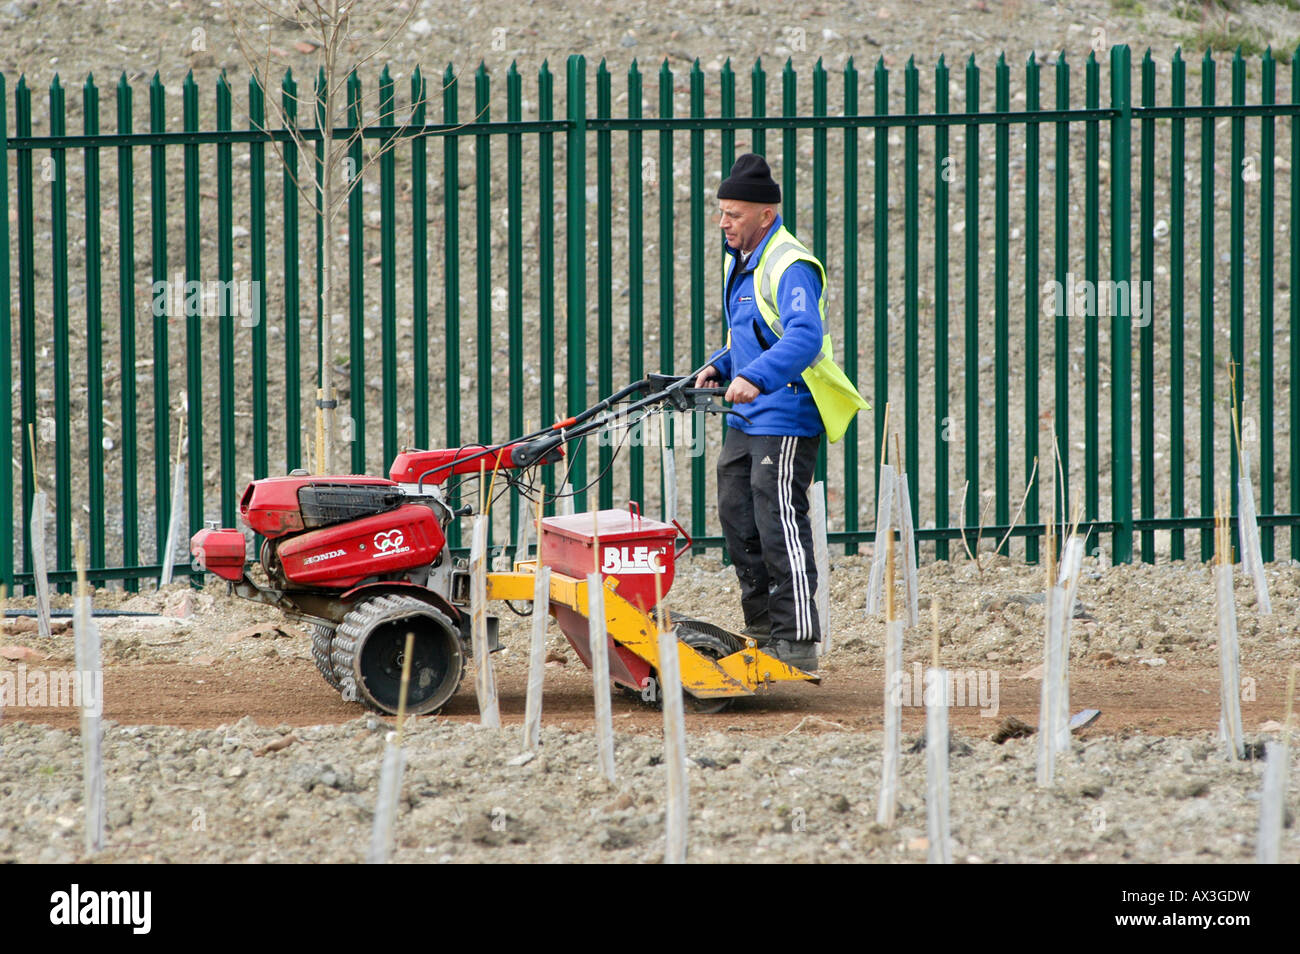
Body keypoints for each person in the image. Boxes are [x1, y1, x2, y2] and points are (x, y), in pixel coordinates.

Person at [695, 154, 868, 672]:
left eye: (735, 213)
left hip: (787, 411)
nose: (723, 222)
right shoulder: (739, 258)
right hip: (747, 416)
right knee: (737, 516)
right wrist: (721, 366)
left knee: (778, 522)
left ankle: (797, 637)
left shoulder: (789, 263)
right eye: (722, 211)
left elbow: (804, 335)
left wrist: (755, 378)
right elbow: (752, 333)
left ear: (766, 214)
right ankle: (763, 628)